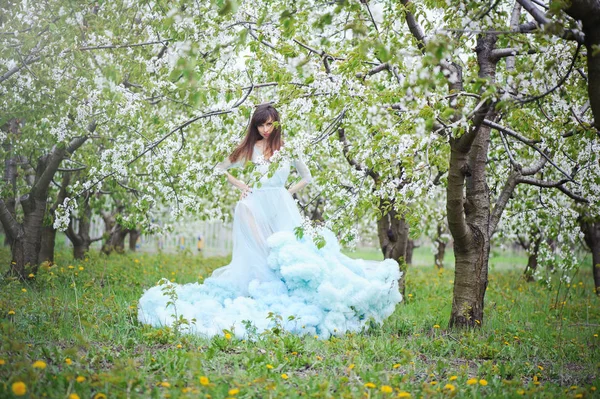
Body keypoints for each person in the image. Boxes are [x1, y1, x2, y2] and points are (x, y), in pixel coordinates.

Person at [138, 104, 402, 339]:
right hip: (255, 203)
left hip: (281, 205)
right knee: (262, 250)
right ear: (255, 126)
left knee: (289, 254)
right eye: (261, 124)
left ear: (276, 123)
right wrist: (240, 184)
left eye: (269, 124)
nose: (265, 129)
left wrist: (286, 192)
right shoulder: (249, 149)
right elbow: (219, 169)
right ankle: (263, 290)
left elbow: (307, 177)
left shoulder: (286, 148)